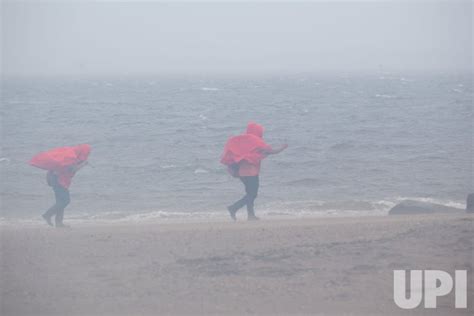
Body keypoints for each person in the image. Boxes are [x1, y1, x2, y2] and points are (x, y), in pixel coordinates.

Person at [222, 122, 287, 221]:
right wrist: (282, 148)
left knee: (249, 193)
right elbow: (271, 151)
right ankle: (233, 208)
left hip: (241, 173)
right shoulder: (256, 141)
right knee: (252, 194)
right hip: (251, 173)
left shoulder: (243, 141)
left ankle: (251, 215)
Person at [42, 160, 88, 228]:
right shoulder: (67, 160)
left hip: (55, 180)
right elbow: (72, 170)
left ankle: (59, 223)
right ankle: (48, 214)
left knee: (60, 202)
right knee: (66, 201)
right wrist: (83, 164)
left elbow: (68, 170)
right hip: (59, 181)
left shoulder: (60, 159)